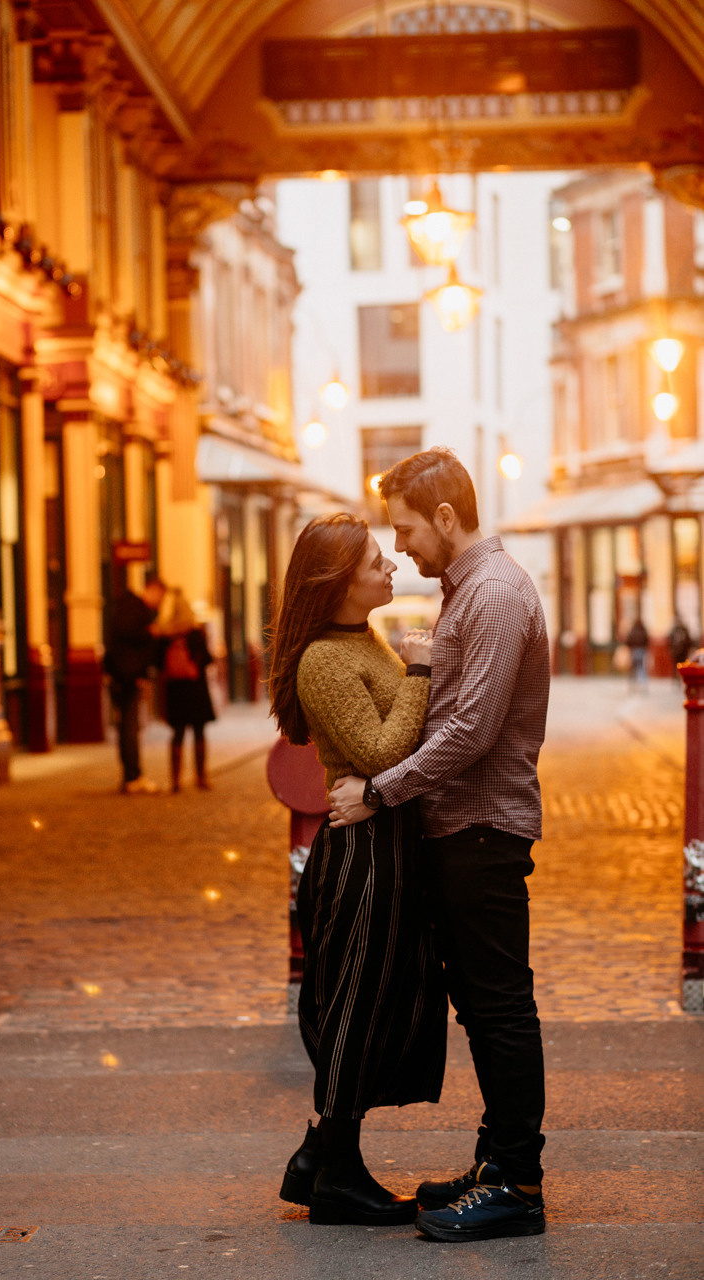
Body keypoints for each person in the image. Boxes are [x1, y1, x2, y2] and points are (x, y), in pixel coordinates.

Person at [328, 447, 550, 1243]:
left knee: (498, 1005)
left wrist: (379, 791)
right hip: (462, 825)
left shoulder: (491, 594)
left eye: (408, 528)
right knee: (484, 1006)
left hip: (482, 826)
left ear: (447, 519)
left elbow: (469, 729)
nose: (404, 546)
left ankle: (518, 1183)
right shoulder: (468, 591)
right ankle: (497, 1162)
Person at [269, 512, 448, 1227]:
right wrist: (421, 668)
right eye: (376, 561)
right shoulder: (323, 659)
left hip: (388, 847)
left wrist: (409, 670)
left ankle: (320, 1156)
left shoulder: (356, 638)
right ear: (339, 579)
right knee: (356, 1007)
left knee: (379, 1002)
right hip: (360, 863)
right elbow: (380, 753)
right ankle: (336, 1172)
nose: (390, 567)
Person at [104, 574, 166, 794]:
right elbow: (129, 642)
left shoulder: (132, 608)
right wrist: (149, 633)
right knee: (129, 727)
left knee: (128, 727)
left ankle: (132, 774)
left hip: (124, 675)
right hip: (126, 677)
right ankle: (133, 776)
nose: (159, 602)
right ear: (153, 590)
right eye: (160, 596)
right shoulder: (134, 609)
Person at [154, 589, 216, 792]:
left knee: (177, 734)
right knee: (199, 733)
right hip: (196, 689)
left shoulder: (165, 634)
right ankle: (201, 777)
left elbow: (157, 663)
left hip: (176, 691)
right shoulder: (196, 632)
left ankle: (175, 781)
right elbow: (207, 658)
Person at [625, 615, 650, 691]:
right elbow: (647, 640)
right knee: (641, 668)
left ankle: (633, 685)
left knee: (634, 668)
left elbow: (628, 641)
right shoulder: (643, 630)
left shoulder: (633, 630)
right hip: (642, 651)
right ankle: (643, 684)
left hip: (634, 651)